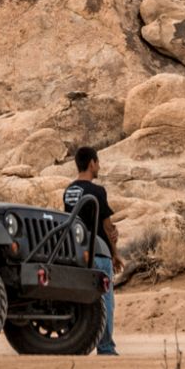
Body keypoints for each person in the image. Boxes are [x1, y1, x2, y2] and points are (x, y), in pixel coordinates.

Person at [62, 145, 122, 355]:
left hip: (76, 252)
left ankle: (73, 343)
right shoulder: (97, 191)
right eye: (98, 162)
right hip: (98, 252)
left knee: (78, 301)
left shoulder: (69, 191)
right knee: (105, 302)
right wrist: (115, 253)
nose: (99, 166)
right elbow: (106, 226)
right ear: (92, 163)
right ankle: (105, 346)